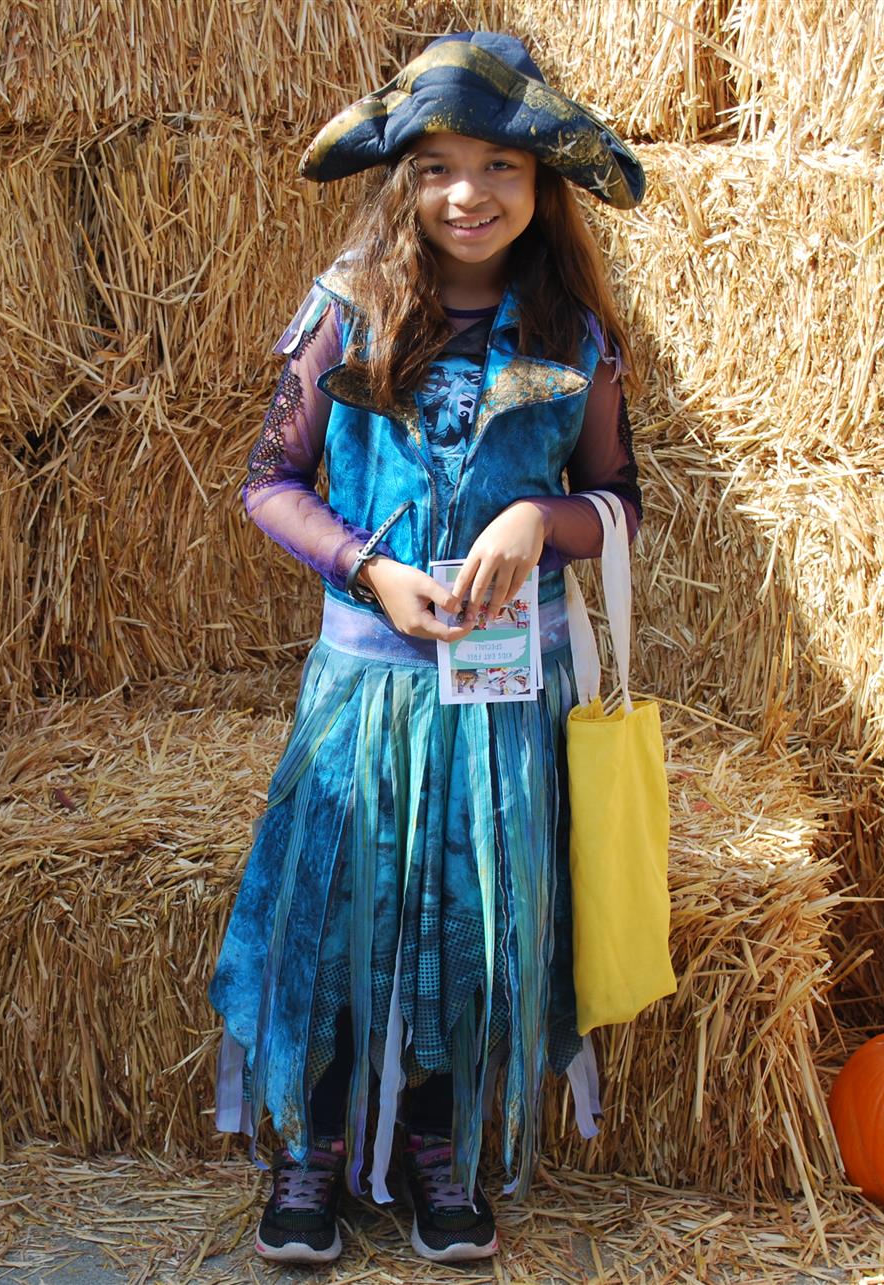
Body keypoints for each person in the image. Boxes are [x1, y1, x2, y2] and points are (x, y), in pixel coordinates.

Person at [207, 31, 646, 1265]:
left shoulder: (576, 339)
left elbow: (619, 497)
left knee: (470, 921)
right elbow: (269, 482)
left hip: (500, 704)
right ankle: (315, 1147)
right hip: (367, 692)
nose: (471, 194)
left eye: (502, 165)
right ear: (402, 178)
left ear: (542, 184)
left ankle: (433, 1147)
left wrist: (538, 517)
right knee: (336, 910)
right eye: (441, 166)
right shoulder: (347, 316)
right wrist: (371, 567)